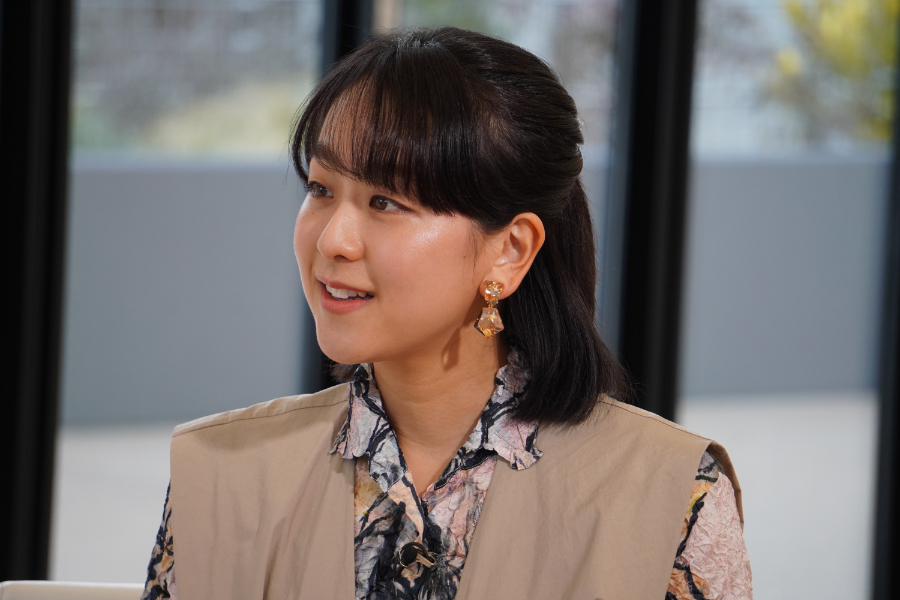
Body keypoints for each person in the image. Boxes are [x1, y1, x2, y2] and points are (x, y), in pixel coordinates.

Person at [140, 27, 752, 600]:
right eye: (321, 189)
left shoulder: (673, 495)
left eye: (385, 201)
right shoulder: (218, 476)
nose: (332, 241)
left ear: (509, 250)